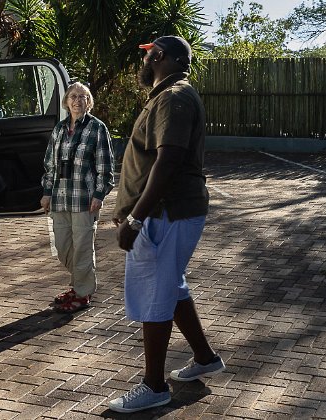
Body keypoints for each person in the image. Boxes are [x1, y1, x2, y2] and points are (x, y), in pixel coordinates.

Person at [107, 36, 226, 414]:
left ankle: (154, 386)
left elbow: (168, 160)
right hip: (169, 212)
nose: (144, 62)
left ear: (158, 56)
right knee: (171, 285)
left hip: (166, 213)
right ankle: (205, 358)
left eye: (147, 55)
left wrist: (136, 217)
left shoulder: (173, 97)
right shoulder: (169, 95)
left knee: (156, 296)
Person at [40, 82, 114, 314]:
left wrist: (99, 194)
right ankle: (80, 283)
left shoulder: (97, 128)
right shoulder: (60, 129)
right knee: (62, 248)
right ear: (66, 101)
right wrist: (46, 192)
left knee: (82, 248)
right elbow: (51, 165)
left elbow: (105, 166)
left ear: (89, 102)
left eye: (83, 97)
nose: (77, 100)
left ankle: (82, 293)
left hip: (84, 199)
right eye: (73, 96)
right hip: (60, 198)